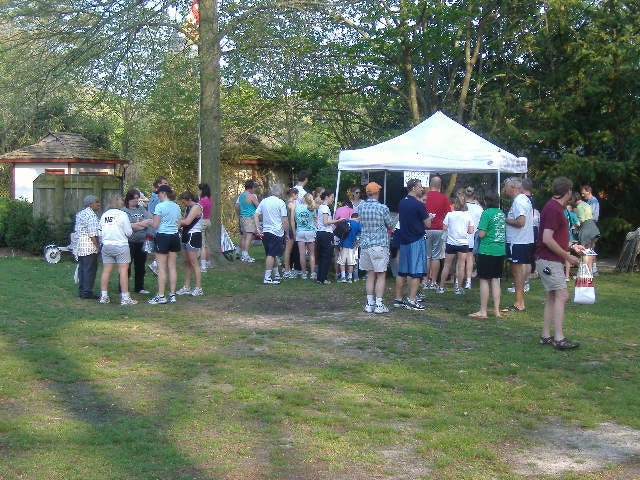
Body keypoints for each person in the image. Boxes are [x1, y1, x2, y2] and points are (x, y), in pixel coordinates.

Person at [535, 177, 581, 350]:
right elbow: (547, 238)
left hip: (548, 259)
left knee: (553, 296)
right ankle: (559, 338)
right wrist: (567, 256)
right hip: (549, 260)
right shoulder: (554, 209)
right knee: (562, 295)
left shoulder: (552, 207)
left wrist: (568, 245)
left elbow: (552, 236)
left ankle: (546, 336)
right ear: (568, 191)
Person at [393, 179, 431, 310]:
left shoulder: (402, 202)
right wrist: (429, 217)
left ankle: (398, 299)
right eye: (420, 187)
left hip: (404, 240)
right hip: (416, 239)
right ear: (413, 188)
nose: (422, 189)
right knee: (416, 272)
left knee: (402, 271)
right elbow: (428, 224)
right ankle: (412, 300)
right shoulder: (419, 205)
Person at [357, 182, 395, 313]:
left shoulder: (361, 207)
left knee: (370, 274)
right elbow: (390, 225)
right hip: (379, 244)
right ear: (377, 193)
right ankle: (379, 304)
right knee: (381, 275)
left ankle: (369, 303)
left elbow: (361, 222)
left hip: (365, 245)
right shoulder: (382, 208)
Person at [468, 191, 505, 319]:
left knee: (484, 280)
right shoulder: (501, 214)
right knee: (495, 280)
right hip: (500, 250)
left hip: (487, 250)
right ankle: (496, 310)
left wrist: (478, 233)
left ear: (486, 201)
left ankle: (483, 311)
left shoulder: (486, 213)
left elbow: (482, 234)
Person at [502, 177, 534, 313]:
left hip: (517, 241)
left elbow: (520, 222)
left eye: (506, 186)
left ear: (513, 187)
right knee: (518, 272)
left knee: (517, 272)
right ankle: (519, 302)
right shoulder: (524, 199)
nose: (504, 189)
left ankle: (519, 303)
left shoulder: (519, 201)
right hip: (524, 240)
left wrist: (506, 220)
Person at [98, 195, 136, 305]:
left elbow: (100, 232)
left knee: (106, 270)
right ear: (118, 202)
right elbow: (129, 232)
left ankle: (104, 296)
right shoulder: (123, 215)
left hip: (107, 245)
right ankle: (125, 297)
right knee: (123, 271)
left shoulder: (104, 215)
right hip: (121, 245)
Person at [148, 185, 181, 304]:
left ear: (164, 193)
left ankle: (161, 296)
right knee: (172, 267)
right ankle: (172, 294)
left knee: (161, 268)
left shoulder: (159, 206)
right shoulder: (177, 206)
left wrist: (147, 222)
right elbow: (179, 223)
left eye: (159, 193)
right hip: (174, 237)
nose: (158, 195)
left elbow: (155, 225)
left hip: (162, 236)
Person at [439, 190, 474, 295]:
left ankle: (441, 287)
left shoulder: (450, 214)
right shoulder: (468, 216)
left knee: (447, 265)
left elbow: (444, 227)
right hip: (463, 243)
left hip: (451, 242)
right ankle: (458, 288)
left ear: (455, 203)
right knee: (461, 265)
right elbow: (471, 231)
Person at [253, 183, 289, 285]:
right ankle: (267, 278)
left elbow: (255, 214)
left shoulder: (264, 201)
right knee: (271, 255)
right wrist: (286, 233)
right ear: (280, 192)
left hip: (266, 232)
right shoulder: (280, 202)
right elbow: (285, 220)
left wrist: (258, 228)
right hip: (276, 232)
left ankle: (276, 274)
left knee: (273, 254)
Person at [122, 189, 153, 294]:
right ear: (129, 199)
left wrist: (137, 225)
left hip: (141, 241)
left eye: (137, 198)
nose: (137, 200)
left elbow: (149, 221)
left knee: (140, 266)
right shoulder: (124, 211)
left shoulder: (142, 209)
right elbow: (128, 227)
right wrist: (141, 225)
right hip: (129, 242)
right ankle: (123, 287)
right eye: (134, 198)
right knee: (126, 266)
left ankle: (139, 287)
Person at [423, 175, 450, 291]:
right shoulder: (444, 198)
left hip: (425, 228)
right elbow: (448, 214)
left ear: (430, 184)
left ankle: (425, 281)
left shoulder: (424, 197)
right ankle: (434, 281)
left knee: (426, 256)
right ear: (439, 186)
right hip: (439, 229)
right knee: (437, 256)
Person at [176, 190, 204, 297]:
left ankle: (198, 288)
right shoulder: (188, 208)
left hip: (193, 236)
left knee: (194, 263)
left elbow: (187, 222)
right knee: (186, 262)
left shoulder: (196, 207)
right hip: (186, 235)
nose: (183, 204)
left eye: (184, 202)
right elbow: (184, 221)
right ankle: (187, 287)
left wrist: (175, 221)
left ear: (189, 199)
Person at [74, 194, 101, 299]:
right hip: (89, 247)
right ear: (90, 204)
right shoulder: (92, 216)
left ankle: (82, 290)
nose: (98, 204)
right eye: (97, 202)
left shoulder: (81, 213)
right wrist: (98, 247)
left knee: (82, 269)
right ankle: (87, 292)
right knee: (90, 270)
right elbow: (93, 234)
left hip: (80, 246)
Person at [316, 190, 343, 285]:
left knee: (322, 256)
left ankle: (320, 278)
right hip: (326, 234)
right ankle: (323, 278)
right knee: (326, 256)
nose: (333, 199)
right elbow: (325, 222)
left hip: (321, 233)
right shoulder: (324, 208)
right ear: (327, 197)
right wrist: (337, 220)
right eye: (332, 197)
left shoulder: (321, 207)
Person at [146, 176, 169, 276]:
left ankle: (156, 266)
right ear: (159, 185)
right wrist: (156, 224)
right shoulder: (155, 197)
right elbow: (151, 212)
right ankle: (155, 265)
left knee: (162, 248)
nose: (167, 185)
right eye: (165, 183)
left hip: (161, 226)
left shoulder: (160, 197)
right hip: (158, 226)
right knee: (162, 248)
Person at [463, 185, 483, 289]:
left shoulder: (461, 207)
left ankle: (458, 280)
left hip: (461, 236)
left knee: (460, 260)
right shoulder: (479, 208)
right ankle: (468, 281)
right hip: (473, 237)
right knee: (470, 258)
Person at [237, 179, 260, 263]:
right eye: (254, 188)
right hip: (250, 217)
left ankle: (243, 255)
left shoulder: (241, 196)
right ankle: (246, 255)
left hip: (242, 217)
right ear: (250, 188)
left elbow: (238, 206)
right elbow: (258, 206)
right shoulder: (251, 196)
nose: (255, 189)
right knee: (249, 236)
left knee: (244, 236)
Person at [295, 193, 317, 280]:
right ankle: (312, 273)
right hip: (310, 232)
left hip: (300, 231)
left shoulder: (297, 207)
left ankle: (304, 273)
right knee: (312, 254)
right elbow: (315, 220)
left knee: (302, 254)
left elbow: (296, 219)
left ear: (304, 198)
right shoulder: (312, 208)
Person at [337, 213, 361, 283]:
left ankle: (343, 277)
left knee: (342, 262)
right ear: (357, 218)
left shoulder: (346, 221)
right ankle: (350, 278)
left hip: (343, 244)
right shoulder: (358, 225)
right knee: (351, 262)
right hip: (352, 245)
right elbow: (359, 236)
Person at [282, 188, 299, 279]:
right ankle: (287, 270)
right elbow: (292, 220)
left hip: (284, 228)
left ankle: (287, 268)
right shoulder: (292, 205)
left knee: (286, 250)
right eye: (297, 195)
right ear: (294, 194)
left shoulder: (284, 202)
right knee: (288, 250)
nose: (298, 196)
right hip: (290, 228)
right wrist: (294, 232)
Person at [198, 183, 212, 272]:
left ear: (202, 191)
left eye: (199, 190)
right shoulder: (209, 199)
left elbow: (198, 213)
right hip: (208, 221)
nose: (198, 191)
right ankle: (208, 262)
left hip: (202, 221)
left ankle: (203, 266)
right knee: (207, 244)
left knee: (202, 245)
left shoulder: (202, 201)